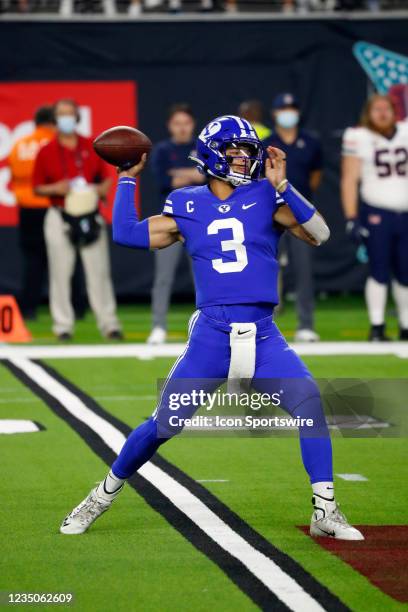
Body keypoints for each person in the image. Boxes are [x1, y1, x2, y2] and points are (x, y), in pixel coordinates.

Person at [60, 115, 363, 541]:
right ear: (211, 156)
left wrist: (282, 185)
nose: (245, 159)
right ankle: (102, 494)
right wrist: (127, 179)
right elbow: (128, 235)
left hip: (263, 334)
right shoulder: (186, 202)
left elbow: (320, 233)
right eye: (235, 151)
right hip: (213, 336)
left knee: (310, 404)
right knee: (163, 425)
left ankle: (325, 510)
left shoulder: (265, 194)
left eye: (248, 151)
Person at [33, 98, 122, 341]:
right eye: (61, 115)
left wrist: (101, 189)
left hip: (90, 214)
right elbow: (37, 188)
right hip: (60, 214)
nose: (66, 119)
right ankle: (62, 326)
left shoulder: (91, 146)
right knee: (60, 274)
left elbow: (106, 177)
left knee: (99, 272)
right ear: (54, 119)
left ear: (77, 117)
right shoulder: (46, 151)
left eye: (70, 114)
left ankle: (109, 324)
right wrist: (56, 188)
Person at [341, 94, 408, 341]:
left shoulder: (404, 131)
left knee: (405, 272)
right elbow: (350, 178)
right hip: (377, 212)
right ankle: (377, 327)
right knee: (379, 270)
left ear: (395, 111)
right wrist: (351, 216)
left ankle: (405, 325)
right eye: (376, 109)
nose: (381, 113)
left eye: (386, 108)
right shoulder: (359, 137)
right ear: (368, 113)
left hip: (405, 214)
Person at [263, 93, 323, 342]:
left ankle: (306, 324)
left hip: (298, 213)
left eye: (291, 107)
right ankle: (266, 325)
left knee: (304, 269)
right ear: (275, 113)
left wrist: (299, 201)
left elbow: (315, 177)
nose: (288, 112)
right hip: (272, 211)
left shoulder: (310, 141)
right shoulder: (267, 143)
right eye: (283, 108)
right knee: (266, 268)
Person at [147, 103, 204, 345]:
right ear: (170, 125)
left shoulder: (202, 148)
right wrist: (191, 175)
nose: (182, 128)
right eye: (177, 123)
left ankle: (207, 326)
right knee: (163, 276)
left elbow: (207, 179)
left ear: (192, 124)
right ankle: (158, 326)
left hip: (200, 220)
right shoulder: (161, 150)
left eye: (186, 123)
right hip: (169, 219)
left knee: (203, 276)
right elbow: (163, 180)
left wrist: (179, 175)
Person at [8, 106, 55, 320]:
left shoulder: (19, 144)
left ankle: (29, 308)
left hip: (27, 208)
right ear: (52, 122)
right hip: (52, 206)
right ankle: (76, 307)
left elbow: (14, 174)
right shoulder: (54, 143)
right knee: (63, 260)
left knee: (32, 260)